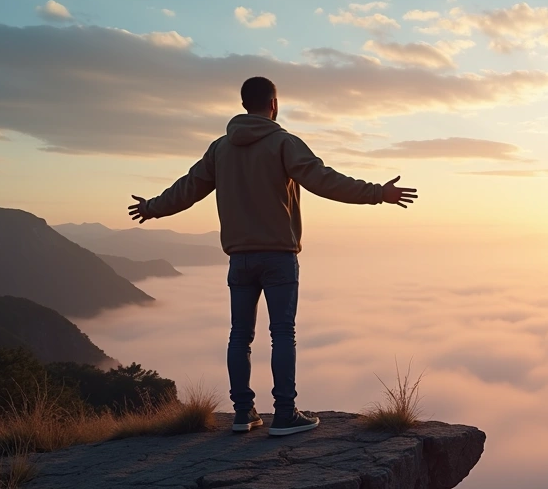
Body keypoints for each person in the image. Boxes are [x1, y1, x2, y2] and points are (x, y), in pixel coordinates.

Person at [127, 76, 416, 437]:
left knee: (239, 336)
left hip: (239, 259)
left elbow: (188, 188)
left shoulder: (220, 148)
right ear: (274, 104)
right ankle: (284, 414)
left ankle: (242, 413)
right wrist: (378, 193)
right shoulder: (283, 143)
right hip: (278, 256)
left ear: (245, 103)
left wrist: (153, 208)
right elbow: (324, 180)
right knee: (282, 334)